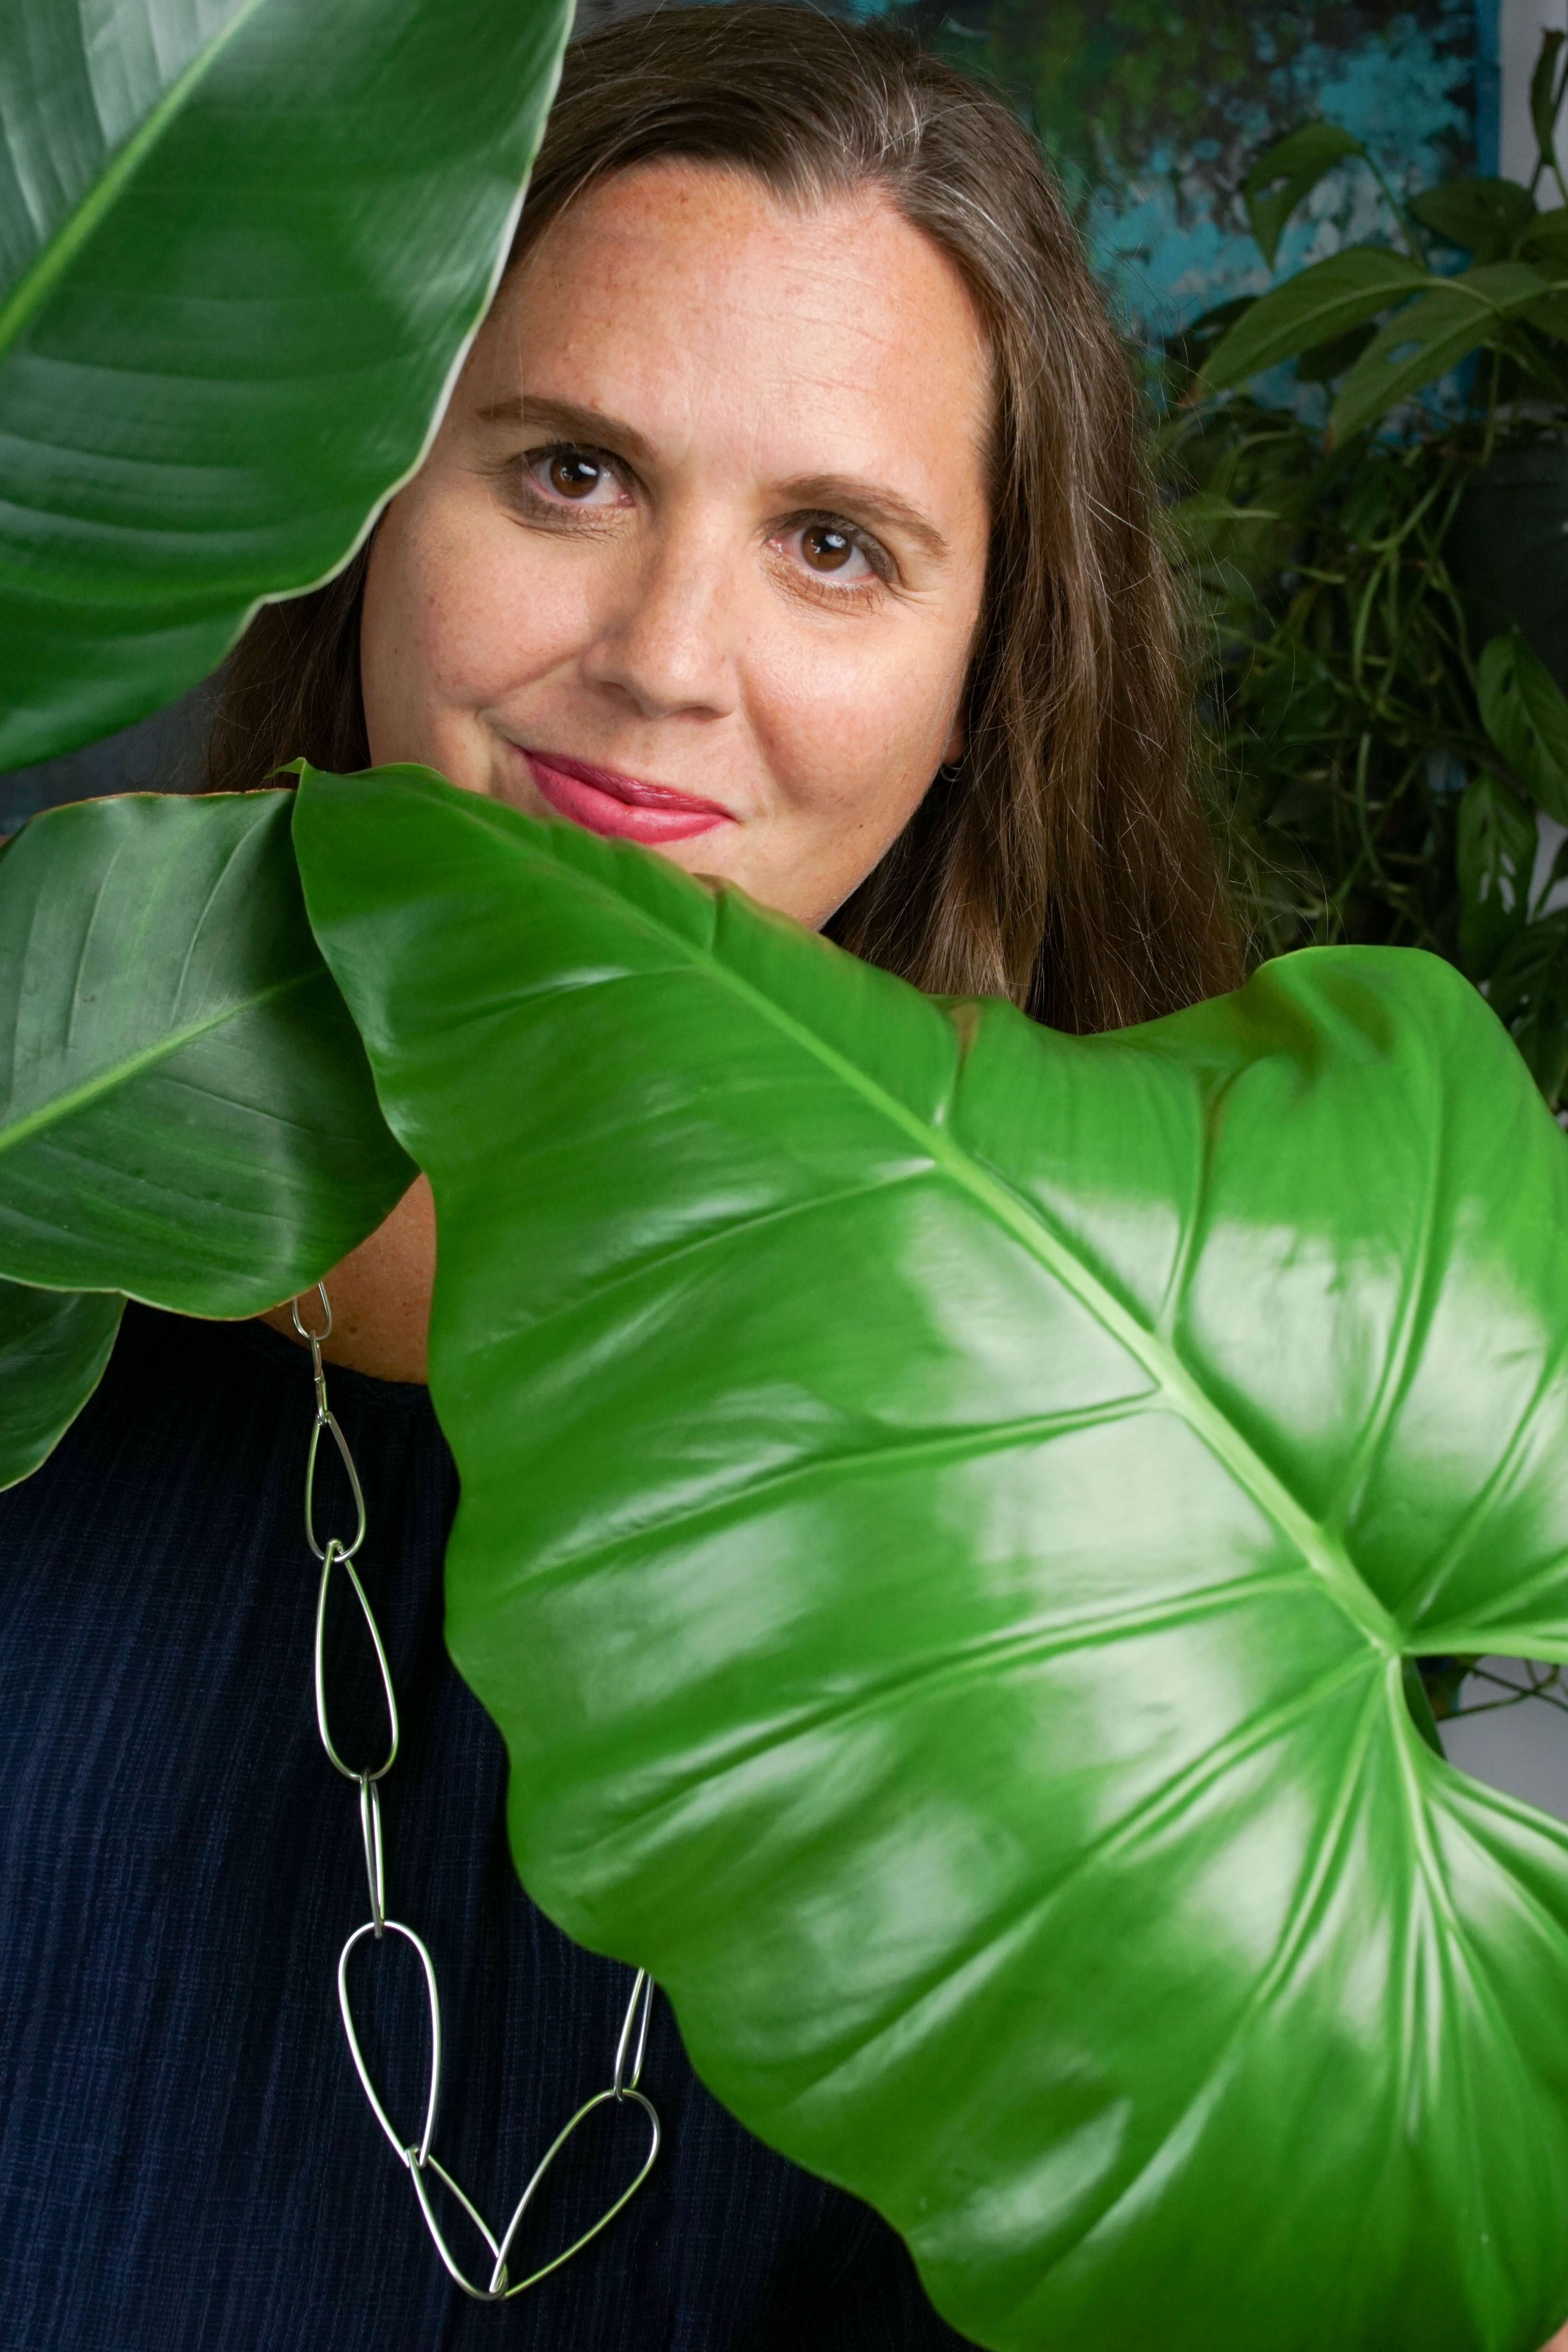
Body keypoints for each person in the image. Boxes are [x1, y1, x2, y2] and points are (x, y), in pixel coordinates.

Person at [0, 8, 1242, 2347]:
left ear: (987, 669)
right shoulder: (25, 1167)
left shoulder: (1136, 1471)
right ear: (376, 493)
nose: (668, 659)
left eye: (837, 545)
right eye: (571, 473)